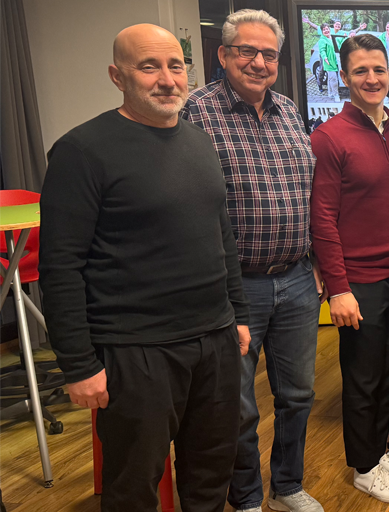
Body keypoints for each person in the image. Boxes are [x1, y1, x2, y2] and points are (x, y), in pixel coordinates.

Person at [39, 23, 249, 511]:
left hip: (214, 341)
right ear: (118, 76)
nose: (167, 79)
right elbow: (61, 266)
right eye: (149, 66)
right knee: (134, 486)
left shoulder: (199, 143)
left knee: (211, 472)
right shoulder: (81, 151)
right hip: (136, 351)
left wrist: (237, 314)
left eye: (176, 66)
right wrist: (78, 364)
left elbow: (221, 236)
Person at [181, 9, 323, 512]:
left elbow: (309, 191)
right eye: (247, 51)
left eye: (269, 54)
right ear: (223, 55)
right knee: (237, 407)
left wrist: (318, 263)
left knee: (298, 396)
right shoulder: (195, 113)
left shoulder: (289, 111)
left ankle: (287, 485)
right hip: (234, 288)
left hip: (297, 279)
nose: (259, 63)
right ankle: (246, 499)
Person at [309, 34, 389, 504]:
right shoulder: (329, 138)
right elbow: (322, 219)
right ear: (344, 77)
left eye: (378, 69)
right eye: (360, 71)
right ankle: (363, 467)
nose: (372, 78)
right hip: (359, 284)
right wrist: (338, 287)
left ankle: (378, 451)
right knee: (362, 380)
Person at [316, 23, 341, 101]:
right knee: (334, 79)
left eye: (327, 29)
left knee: (330, 79)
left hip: (335, 62)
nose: (326, 31)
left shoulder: (332, 37)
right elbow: (322, 51)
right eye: (324, 29)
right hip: (328, 62)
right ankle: (336, 95)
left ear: (329, 29)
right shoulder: (322, 40)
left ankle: (331, 94)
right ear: (322, 31)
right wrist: (325, 58)